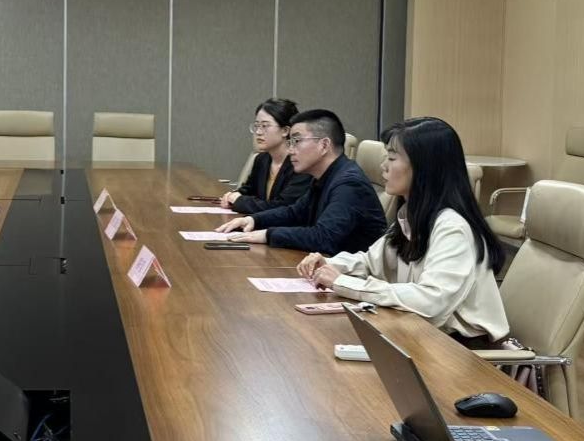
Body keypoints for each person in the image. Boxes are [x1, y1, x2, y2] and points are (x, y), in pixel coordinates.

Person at [295, 117, 509, 344]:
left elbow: (430, 302)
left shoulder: (452, 227)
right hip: (423, 335)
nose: (384, 166)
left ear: (424, 167)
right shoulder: (413, 216)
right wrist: (331, 265)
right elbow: (371, 262)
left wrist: (343, 282)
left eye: (391, 158)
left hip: (462, 350)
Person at [217, 109, 386, 254]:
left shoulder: (349, 184)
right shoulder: (325, 176)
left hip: (351, 275)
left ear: (324, 145)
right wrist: (254, 220)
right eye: (290, 142)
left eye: (296, 141)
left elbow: (323, 237)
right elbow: (295, 213)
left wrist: (268, 235)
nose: (290, 150)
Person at [220, 98, 312, 214]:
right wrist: (232, 196)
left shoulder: (301, 164)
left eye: (265, 126)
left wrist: (240, 201)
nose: (258, 132)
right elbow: (249, 190)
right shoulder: (262, 159)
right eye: (257, 126)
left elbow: (282, 207)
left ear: (285, 130)